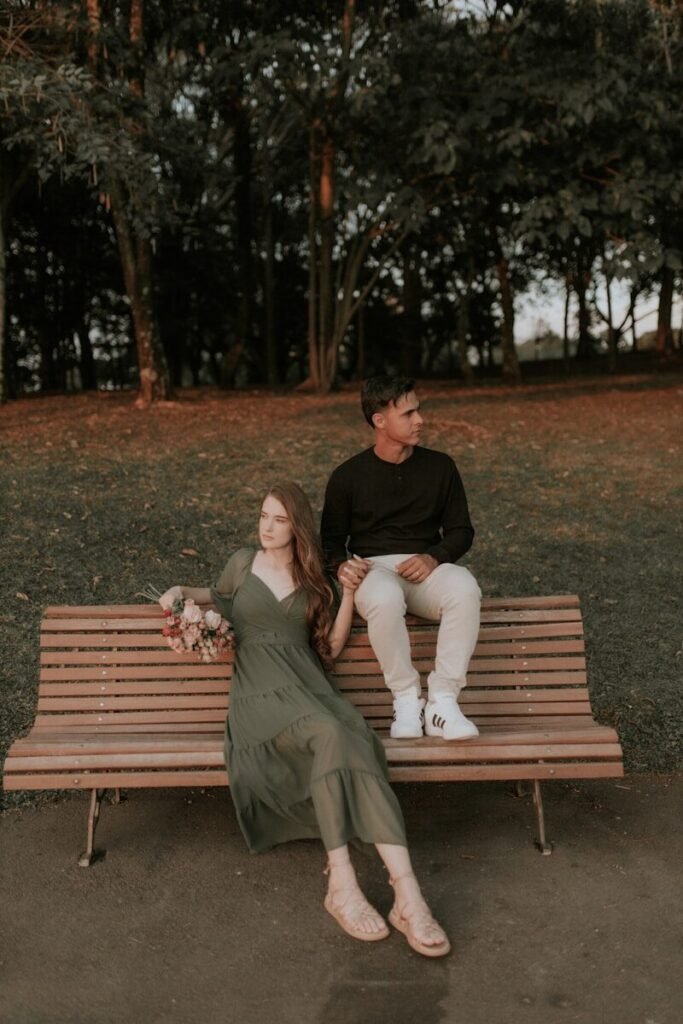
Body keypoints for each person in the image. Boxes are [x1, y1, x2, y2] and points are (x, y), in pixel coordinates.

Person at [159, 482, 450, 957]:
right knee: (337, 734)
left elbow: (329, 650)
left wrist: (350, 596)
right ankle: (347, 883)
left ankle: (406, 895)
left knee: (348, 736)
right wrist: (177, 594)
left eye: (278, 519)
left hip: (311, 689)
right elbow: (212, 594)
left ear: (297, 526)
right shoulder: (241, 563)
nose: (267, 527)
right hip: (259, 697)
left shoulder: (316, 581)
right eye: (262, 516)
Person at [320, 376, 481, 742]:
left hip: (426, 570)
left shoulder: (441, 467)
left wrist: (434, 557)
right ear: (380, 421)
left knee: (465, 588)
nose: (419, 419)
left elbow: (461, 531)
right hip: (374, 571)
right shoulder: (347, 477)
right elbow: (329, 542)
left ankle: (442, 703)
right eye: (408, 413)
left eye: (418, 409)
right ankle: (407, 699)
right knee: (383, 596)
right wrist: (341, 567)